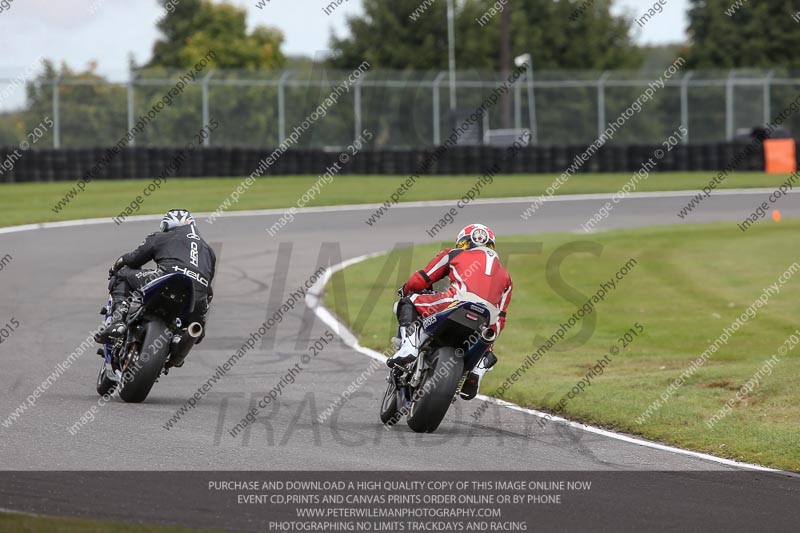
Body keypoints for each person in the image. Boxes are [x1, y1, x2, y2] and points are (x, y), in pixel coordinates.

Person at [387, 223, 513, 399]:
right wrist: (488, 347)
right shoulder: (507, 276)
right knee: (489, 336)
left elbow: (420, 280)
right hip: (486, 319)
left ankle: (409, 347)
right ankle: (478, 369)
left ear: (463, 242)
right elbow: (500, 319)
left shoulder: (453, 254)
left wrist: (406, 289)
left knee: (409, 302)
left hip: (456, 302)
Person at [95, 209, 216, 349]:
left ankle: (117, 322)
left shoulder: (162, 237)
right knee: (196, 330)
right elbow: (209, 285)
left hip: (167, 278)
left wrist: (116, 265)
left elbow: (133, 259)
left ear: (166, 226)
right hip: (198, 296)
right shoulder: (209, 251)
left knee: (123, 274)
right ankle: (179, 338)